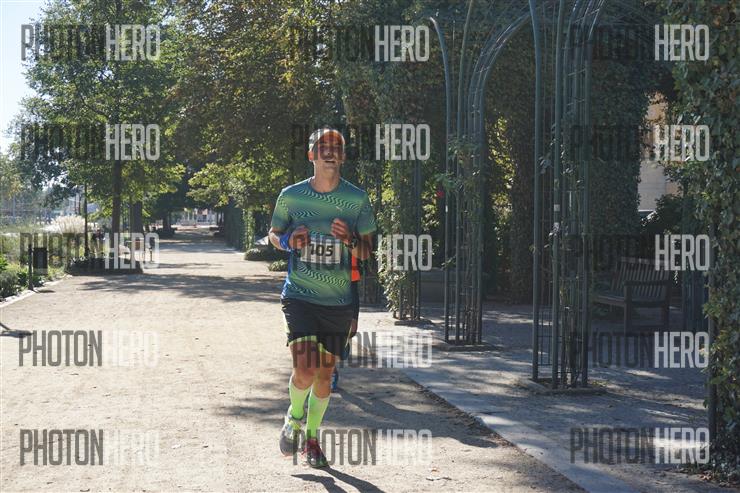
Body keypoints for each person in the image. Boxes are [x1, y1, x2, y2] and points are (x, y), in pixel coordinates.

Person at [269, 128, 376, 468]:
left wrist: (350, 241)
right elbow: (273, 234)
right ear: (311, 155)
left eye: (337, 147)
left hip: (338, 301)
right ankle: (294, 418)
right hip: (299, 296)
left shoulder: (357, 199)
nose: (330, 151)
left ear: (342, 156)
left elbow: (367, 250)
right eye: (322, 146)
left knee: (324, 375)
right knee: (304, 369)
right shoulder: (291, 196)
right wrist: (288, 241)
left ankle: (312, 440)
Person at [331, 255, 361, 392]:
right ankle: (329, 372)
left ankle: (332, 369)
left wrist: (354, 317)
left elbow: (353, 288)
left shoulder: (349, 249)